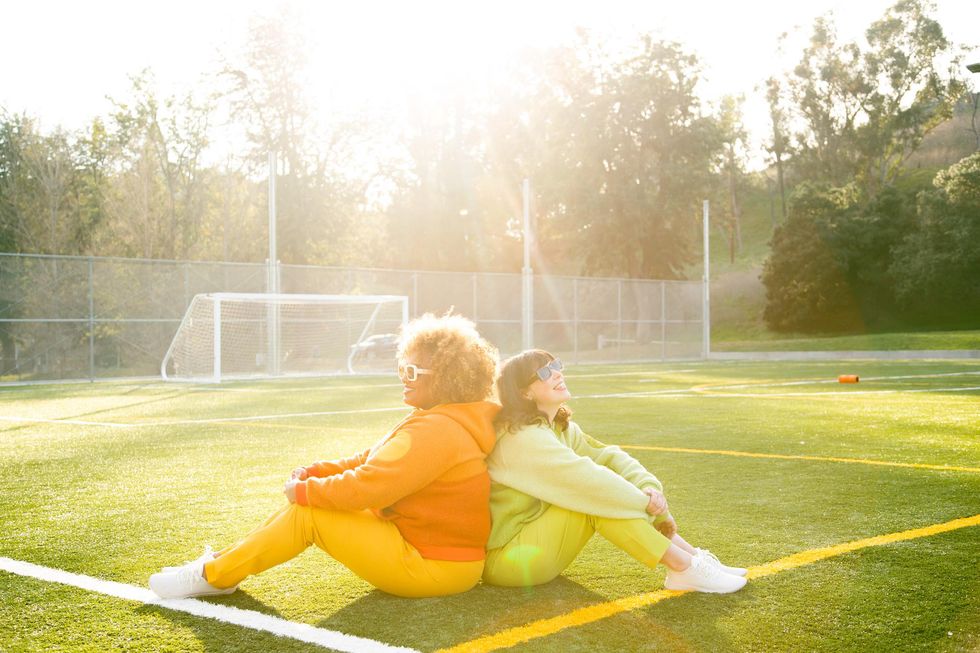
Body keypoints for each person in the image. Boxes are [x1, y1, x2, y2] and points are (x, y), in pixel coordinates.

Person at [149, 313, 500, 599]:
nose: (403, 379)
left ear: (447, 378)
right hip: (437, 558)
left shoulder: (438, 429)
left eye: (411, 372)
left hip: (434, 567)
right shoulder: (441, 419)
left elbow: (370, 486)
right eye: (401, 369)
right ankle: (220, 566)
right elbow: (371, 458)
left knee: (309, 515)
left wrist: (304, 491)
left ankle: (215, 575)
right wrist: (317, 471)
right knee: (308, 508)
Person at [483, 349, 747, 593]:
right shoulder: (521, 438)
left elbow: (608, 456)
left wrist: (649, 487)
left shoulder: (559, 428)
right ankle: (683, 568)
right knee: (594, 499)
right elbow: (586, 481)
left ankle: (695, 560)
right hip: (510, 560)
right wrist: (646, 504)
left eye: (555, 365)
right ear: (524, 393)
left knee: (601, 495)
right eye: (543, 372)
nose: (557, 373)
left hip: (535, 548)